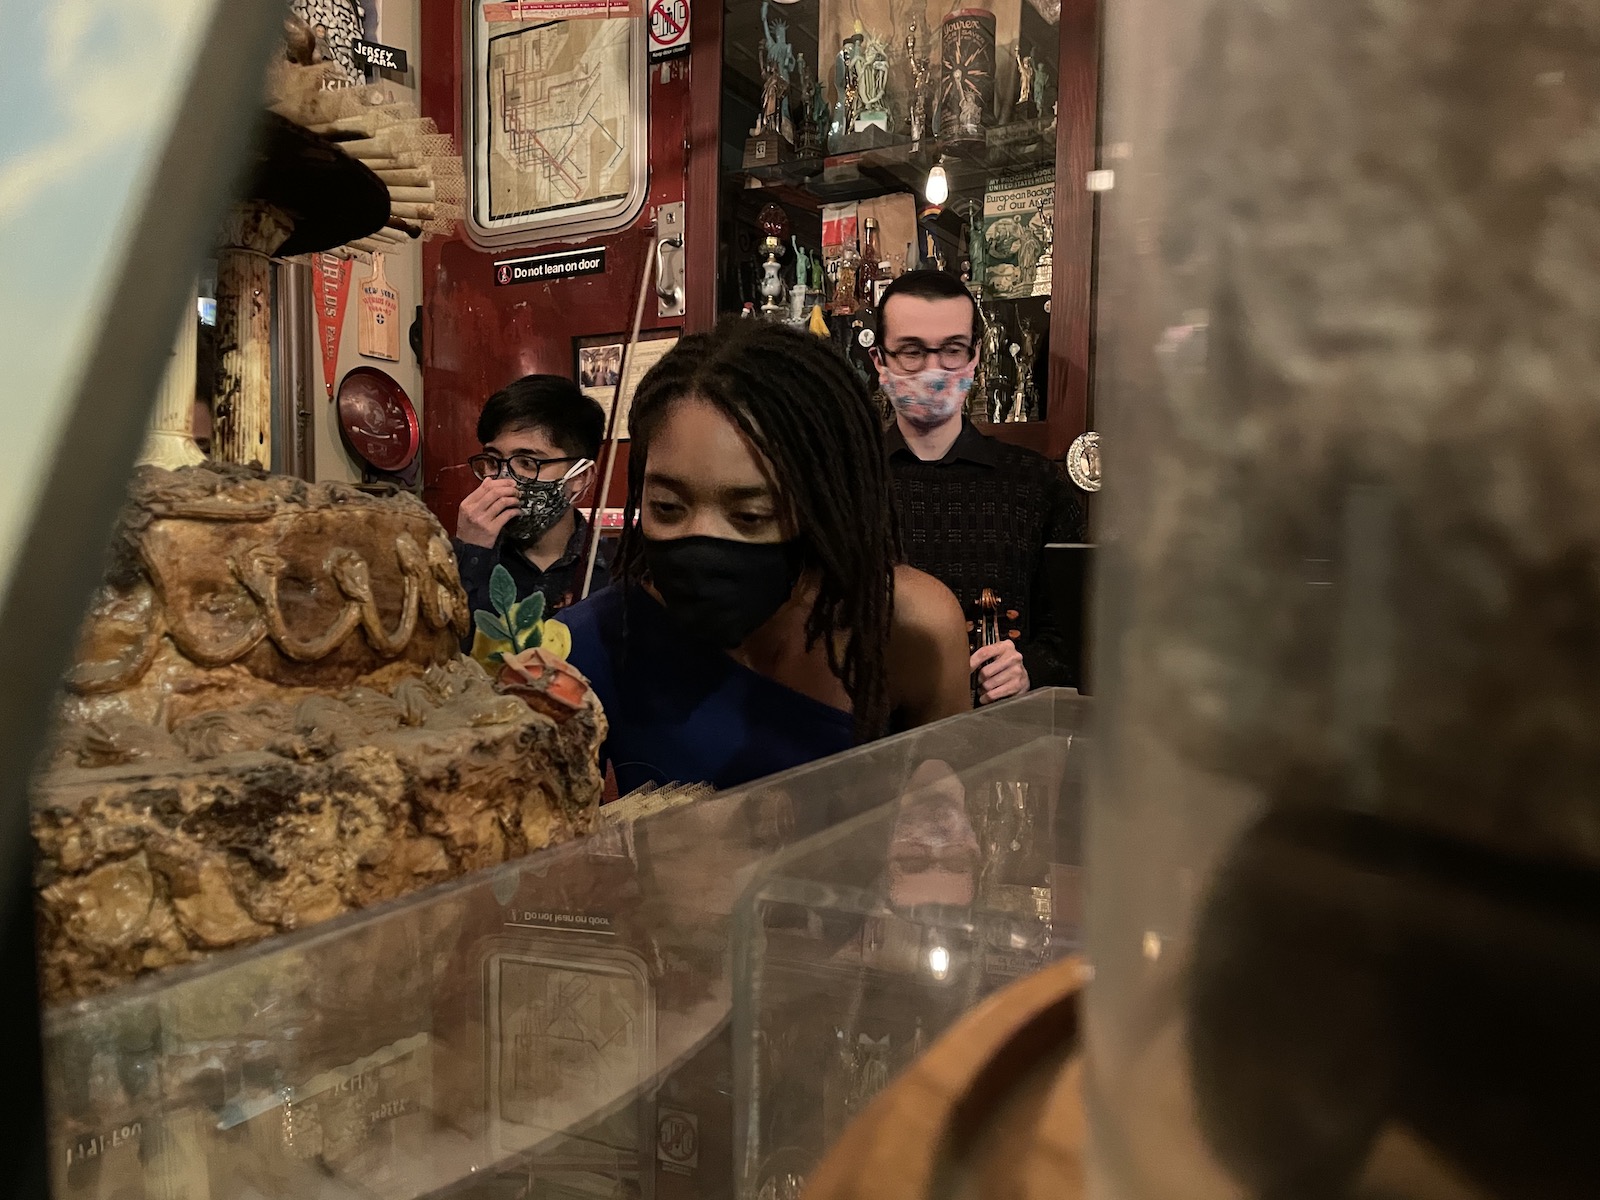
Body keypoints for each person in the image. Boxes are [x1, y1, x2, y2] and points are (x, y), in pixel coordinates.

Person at [562, 321, 973, 794]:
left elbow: (949, 837)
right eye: (667, 508)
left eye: (751, 515)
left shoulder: (907, 627)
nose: (702, 540)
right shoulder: (590, 644)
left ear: (822, 505)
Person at [872, 270, 1088, 702]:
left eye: (952, 350)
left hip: (999, 742)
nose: (934, 368)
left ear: (974, 358)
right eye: (912, 351)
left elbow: (1073, 639)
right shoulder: (843, 478)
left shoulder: (1036, 482)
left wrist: (1028, 669)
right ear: (880, 361)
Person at [453, 375, 607, 645]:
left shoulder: (614, 571)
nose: (503, 478)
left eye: (527, 462)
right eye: (492, 460)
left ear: (580, 477)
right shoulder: (458, 558)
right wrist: (469, 554)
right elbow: (438, 657)